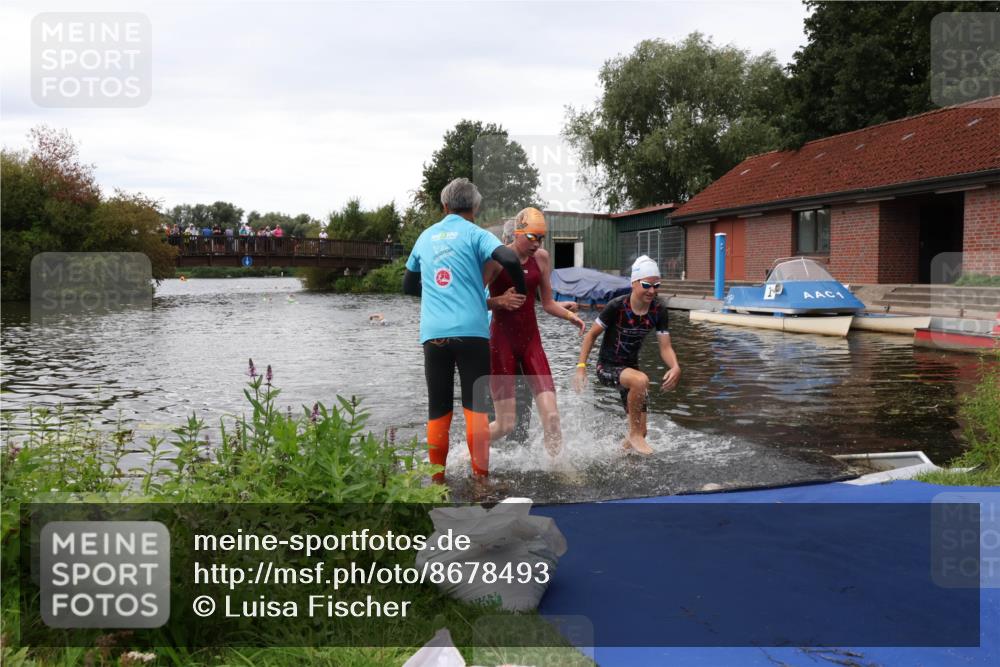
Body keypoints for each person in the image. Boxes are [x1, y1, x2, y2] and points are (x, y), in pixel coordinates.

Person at [403, 178, 526, 483]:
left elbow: (408, 285)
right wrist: (520, 288)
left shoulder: (426, 236)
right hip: (472, 333)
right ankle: (480, 481)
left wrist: (436, 295)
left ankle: (436, 482)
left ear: (444, 206)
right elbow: (509, 257)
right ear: (475, 207)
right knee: (475, 410)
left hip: (434, 334)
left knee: (439, 408)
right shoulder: (475, 233)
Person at [484, 208, 585, 456]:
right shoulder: (495, 260)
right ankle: (468, 448)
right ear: (517, 232)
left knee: (552, 417)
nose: (537, 244)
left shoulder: (541, 258)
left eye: (541, 238)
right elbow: (469, 301)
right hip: (501, 343)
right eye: (532, 237)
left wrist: (571, 316)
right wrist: (498, 301)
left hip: (531, 344)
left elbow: (547, 303)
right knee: (505, 424)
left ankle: (556, 468)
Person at [572, 255, 681, 455]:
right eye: (647, 285)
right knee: (641, 382)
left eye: (657, 286)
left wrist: (675, 366)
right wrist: (581, 368)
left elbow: (665, 347)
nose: (652, 291)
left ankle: (620, 458)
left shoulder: (659, 310)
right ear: (634, 283)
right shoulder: (617, 306)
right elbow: (590, 336)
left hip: (631, 370)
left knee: (644, 430)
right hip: (607, 368)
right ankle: (633, 434)